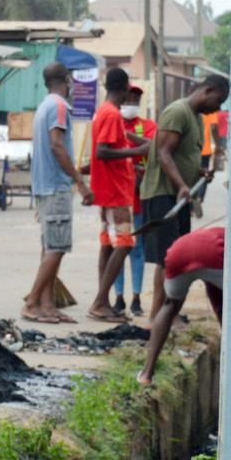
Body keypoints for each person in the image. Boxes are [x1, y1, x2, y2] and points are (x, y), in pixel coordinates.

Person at [139, 74, 231, 317]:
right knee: (167, 259)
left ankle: (166, 314)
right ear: (208, 90)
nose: (218, 107)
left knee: (177, 258)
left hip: (179, 197)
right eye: (219, 100)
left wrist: (197, 172)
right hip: (164, 194)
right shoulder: (177, 112)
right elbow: (163, 153)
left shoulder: (194, 117)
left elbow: (183, 155)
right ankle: (156, 316)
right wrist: (182, 184)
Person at [22, 61, 92, 324]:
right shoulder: (60, 107)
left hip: (44, 185)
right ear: (67, 80)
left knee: (50, 246)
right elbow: (57, 145)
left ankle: (48, 305)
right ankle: (32, 303)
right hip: (55, 186)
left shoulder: (44, 107)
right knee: (57, 248)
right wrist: (80, 183)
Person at [85, 68, 152, 323]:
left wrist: (143, 144)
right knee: (125, 244)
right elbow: (103, 151)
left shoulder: (103, 111)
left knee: (107, 244)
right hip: (116, 190)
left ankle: (102, 300)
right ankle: (101, 301)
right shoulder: (112, 114)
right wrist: (138, 151)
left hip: (108, 190)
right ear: (124, 89)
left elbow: (122, 137)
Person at [139, 224, 224, 385]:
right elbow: (224, 304)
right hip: (214, 254)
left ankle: (146, 373)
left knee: (170, 306)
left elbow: (213, 292)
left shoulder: (206, 234)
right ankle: (230, 361)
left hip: (177, 253)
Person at [117, 84, 154, 315]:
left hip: (138, 199)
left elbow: (153, 151)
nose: (131, 105)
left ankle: (137, 298)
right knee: (117, 248)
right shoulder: (111, 123)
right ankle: (119, 297)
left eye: (135, 101)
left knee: (137, 249)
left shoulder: (148, 127)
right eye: (127, 100)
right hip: (117, 198)